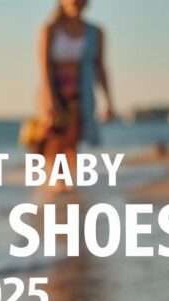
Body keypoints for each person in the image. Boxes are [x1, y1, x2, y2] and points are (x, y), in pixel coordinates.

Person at [38, 0, 116, 191]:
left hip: (82, 92)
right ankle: (56, 184)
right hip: (54, 90)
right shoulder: (50, 29)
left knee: (73, 139)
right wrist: (50, 98)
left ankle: (67, 186)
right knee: (54, 138)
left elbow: (100, 67)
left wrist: (109, 101)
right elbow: (44, 65)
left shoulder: (95, 32)